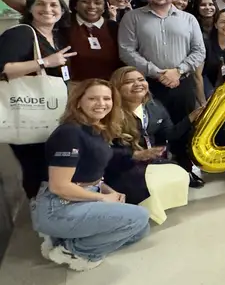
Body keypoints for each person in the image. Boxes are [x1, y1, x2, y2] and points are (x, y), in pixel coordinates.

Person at [31, 79, 150, 271]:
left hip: (82, 197)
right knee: (139, 218)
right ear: (78, 101)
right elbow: (59, 186)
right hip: (59, 206)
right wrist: (103, 199)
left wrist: (106, 189)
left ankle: (61, 237)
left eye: (106, 98)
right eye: (93, 98)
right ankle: (73, 250)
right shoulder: (69, 133)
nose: (101, 104)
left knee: (140, 230)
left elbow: (89, 172)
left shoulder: (96, 129)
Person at [118, 0, 205, 186]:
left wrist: (178, 70)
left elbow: (198, 51)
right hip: (147, 86)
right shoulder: (132, 18)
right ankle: (154, 175)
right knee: (151, 130)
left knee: (185, 127)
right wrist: (157, 72)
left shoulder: (188, 19)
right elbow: (126, 51)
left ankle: (185, 171)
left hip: (182, 82)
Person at [0, 0, 76, 199]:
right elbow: (2, 69)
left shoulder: (55, 36)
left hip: (54, 114)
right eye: (41, 4)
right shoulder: (22, 33)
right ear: (30, 8)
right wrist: (44, 62)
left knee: (54, 166)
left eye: (54, 5)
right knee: (36, 168)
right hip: (28, 113)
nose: (48, 9)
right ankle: (40, 213)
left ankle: (55, 210)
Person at [107, 67, 196, 217]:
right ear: (116, 88)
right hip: (122, 166)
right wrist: (134, 155)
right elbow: (104, 151)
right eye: (129, 82)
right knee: (146, 185)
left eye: (141, 80)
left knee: (180, 173)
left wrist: (191, 117)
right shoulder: (109, 113)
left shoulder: (155, 106)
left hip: (151, 162)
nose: (137, 84)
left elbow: (170, 134)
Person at [65, 0, 121, 82]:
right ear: (75, 4)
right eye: (85, 2)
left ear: (105, 6)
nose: (92, 6)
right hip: (75, 88)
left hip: (110, 87)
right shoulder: (64, 27)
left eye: (97, 3)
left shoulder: (115, 28)